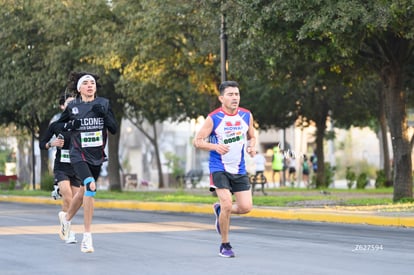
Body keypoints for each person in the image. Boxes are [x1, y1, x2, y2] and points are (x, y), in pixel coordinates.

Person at [54, 71, 118, 253]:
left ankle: (66, 220)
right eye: (86, 83)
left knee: (82, 192)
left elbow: (113, 128)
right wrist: (69, 126)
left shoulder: (104, 103)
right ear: (79, 88)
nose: (90, 85)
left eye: (92, 83)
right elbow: (57, 126)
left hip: (96, 156)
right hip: (78, 154)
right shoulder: (73, 106)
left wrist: (104, 115)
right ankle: (87, 238)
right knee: (90, 187)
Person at [193, 80, 256, 258]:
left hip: (239, 168)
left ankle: (220, 211)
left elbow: (252, 136)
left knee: (246, 207)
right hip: (218, 167)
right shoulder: (213, 118)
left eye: (237, 94)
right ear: (222, 98)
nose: (235, 97)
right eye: (230, 94)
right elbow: (197, 141)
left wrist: (252, 147)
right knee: (228, 203)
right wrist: (215, 147)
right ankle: (225, 245)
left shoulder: (246, 115)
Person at [39, 93, 80, 244]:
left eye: (74, 103)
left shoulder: (80, 124)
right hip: (61, 167)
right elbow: (42, 143)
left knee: (73, 202)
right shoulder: (55, 126)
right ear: (62, 107)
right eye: (68, 103)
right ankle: (69, 232)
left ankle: (65, 225)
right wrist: (52, 144)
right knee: (68, 196)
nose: (72, 106)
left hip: (77, 167)